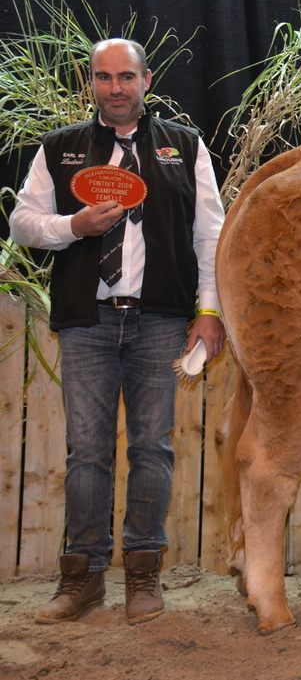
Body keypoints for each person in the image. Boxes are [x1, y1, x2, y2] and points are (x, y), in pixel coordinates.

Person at [10, 38, 227, 625]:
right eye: (103, 78)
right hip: (88, 321)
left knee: (153, 447)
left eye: (125, 76)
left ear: (146, 79)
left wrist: (209, 311)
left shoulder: (184, 145)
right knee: (87, 453)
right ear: (91, 83)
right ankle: (81, 577)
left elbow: (211, 235)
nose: (115, 88)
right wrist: (72, 225)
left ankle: (142, 575)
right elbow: (22, 222)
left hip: (159, 319)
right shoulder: (61, 149)